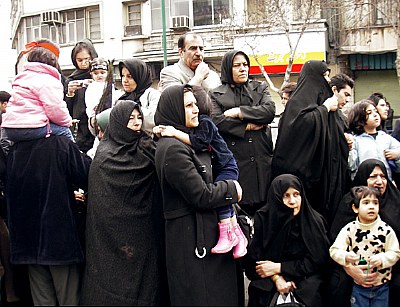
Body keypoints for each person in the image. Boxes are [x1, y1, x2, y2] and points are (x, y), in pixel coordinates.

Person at [154, 84, 242, 306]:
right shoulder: (173, 149)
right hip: (192, 242)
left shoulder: (186, 140)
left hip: (202, 237)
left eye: (195, 104)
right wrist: (233, 190)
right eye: (189, 106)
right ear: (175, 109)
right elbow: (200, 195)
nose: (196, 110)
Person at [80, 100, 166, 305]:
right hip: (113, 236)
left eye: (138, 118)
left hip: (145, 230)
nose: (136, 123)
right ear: (118, 123)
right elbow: (101, 201)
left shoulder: (148, 146)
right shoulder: (104, 157)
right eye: (130, 119)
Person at [5, 133, 91, 305]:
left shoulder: (15, 150)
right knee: (69, 298)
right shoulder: (61, 145)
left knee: (42, 299)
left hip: (28, 242)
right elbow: (86, 174)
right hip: (60, 240)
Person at [271, 60, 354, 224]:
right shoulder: (297, 104)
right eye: (325, 75)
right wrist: (323, 109)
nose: (328, 80)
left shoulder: (331, 107)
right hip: (303, 182)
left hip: (327, 181)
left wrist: (344, 139)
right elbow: (301, 128)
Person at [245, 174, 330, 307]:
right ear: (277, 198)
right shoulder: (264, 218)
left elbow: (319, 261)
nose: (293, 201)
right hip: (270, 278)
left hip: (305, 277)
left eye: (296, 194)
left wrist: (280, 267)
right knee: (260, 290)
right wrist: (276, 278)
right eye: (286, 196)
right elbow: (254, 262)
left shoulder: (312, 221)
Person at [211, 50, 275, 216]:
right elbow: (217, 121)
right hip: (236, 161)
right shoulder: (216, 94)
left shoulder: (259, 88)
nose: (243, 69)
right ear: (227, 68)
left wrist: (239, 112)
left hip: (261, 163)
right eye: (237, 65)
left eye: (245, 65)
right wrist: (247, 127)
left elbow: (269, 111)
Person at [329, 159, 400, 307]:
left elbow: (395, 250)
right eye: (373, 176)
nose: (379, 181)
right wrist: (351, 269)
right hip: (353, 270)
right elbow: (335, 245)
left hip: (388, 272)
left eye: (383, 176)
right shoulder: (349, 205)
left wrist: (385, 261)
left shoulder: (396, 200)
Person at [2, 39, 73, 143]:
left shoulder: (22, 77)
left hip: (9, 128)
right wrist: (67, 121)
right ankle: (77, 155)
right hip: (31, 127)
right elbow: (55, 108)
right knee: (65, 131)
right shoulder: (48, 79)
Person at [347, 100, 400, 181]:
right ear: (359, 118)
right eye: (369, 113)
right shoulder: (355, 141)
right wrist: (349, 149)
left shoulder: (386, 138)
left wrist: (397, 156)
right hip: (364, 187)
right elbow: (351, 166)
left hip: (385, 184)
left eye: (375, 111)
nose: (375, 114)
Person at [65, 39, 98, 153]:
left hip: (97, 126)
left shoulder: (100, 75)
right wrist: (70, 94)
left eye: (87, 59)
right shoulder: (71, 80)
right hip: (79, 130)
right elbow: (66, 109)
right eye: (79, 60)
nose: (84, 63)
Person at [118, 58, 160, 134]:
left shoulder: (152, 95)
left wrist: (128, 110)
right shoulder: (120, 98)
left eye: (129, 76)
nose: (125, 80)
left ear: (140, 76)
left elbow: (154, 120)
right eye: (123, 76)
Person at [85, 58, 121, 137]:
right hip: (96, 116)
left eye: (102, 73)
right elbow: (89, 103)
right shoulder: (91, 87)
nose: (99, 76)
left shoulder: (110, 86)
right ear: (91, 74)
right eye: (96, 73)